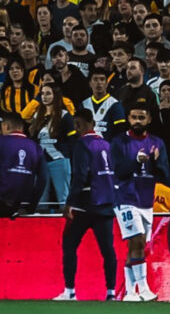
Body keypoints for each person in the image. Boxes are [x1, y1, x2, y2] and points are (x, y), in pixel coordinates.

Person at [53, 109, 117, 301]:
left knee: (69, 244)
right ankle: (111, 293)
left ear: (86, 123)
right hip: (106, 203)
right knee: (108, 249)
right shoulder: (107, 144)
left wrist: (69, 203)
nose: (76, 128)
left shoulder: (82, 145)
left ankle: (70, 292)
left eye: (77, 124)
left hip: (84, 204)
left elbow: (80, 175)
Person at [111, 102, 169, 302]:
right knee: (136, 240)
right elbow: (118, 171)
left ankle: (129, 292)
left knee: (139, 246)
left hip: (146, 200)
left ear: (149, 119)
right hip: (126, 198)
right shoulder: (119, 142)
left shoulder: (157, 143)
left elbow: (164, 175)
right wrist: (136, 160)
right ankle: (143, 289)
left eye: (141, 117)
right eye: (134, 117)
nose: (137, 121)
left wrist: (155, 161)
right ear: (128, 119)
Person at [29, 83, 77, 210]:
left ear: (56, 95)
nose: (44, 96)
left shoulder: (65, 115)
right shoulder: (36, 115)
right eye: (42, 93)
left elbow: (72, 142)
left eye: (48, 93)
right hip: (41, 162)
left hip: (60, 159)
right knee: (41, 199)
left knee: (63, 198)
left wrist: (73, 161)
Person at [81, 67, 126, 141]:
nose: (99, 82)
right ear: (90, 83)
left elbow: (120, 133)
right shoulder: (83, 104)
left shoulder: (115, 104)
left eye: (102, 79)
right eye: (95, 79)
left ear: (107, 83)